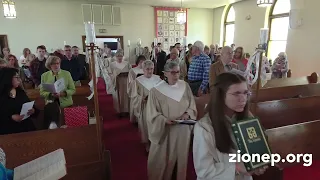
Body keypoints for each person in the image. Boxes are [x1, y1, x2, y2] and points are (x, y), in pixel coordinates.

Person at [193, 73, 268, 180]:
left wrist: (257, 164)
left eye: (246, 93)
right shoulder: (204, 127)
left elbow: (255, 151)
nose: (243, 99)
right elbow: (204, 171)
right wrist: (236, 168)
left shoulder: (248, 120)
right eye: (236, 93)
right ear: (221, 95)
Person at [146, 61, 197, 180]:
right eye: (173, 72)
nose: (176, 75)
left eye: (178, 72)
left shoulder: (185, 86)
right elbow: (152, 113)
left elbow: (192, 105)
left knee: (181, 157)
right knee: (162, 158)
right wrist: (163, 120)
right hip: (165, 131)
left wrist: (187, 113)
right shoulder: (156, 91)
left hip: (183, 130)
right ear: (165, 73)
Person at [130, 60, 161, 152]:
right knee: (145, 125)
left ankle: (155, 142)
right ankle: (147, 143)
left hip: (156, 107)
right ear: (143, 69)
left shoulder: (158, 79)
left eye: (152, 69)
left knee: (155, 124)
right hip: (145, 107)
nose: (150, 71)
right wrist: (141, 99)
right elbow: (134, 96)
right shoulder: (138, 81)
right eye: (147, 69)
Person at [0, 68, 38, 135]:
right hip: (8, 131)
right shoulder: (2, 95)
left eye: (19, 77)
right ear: (8, 79)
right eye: (16, 77)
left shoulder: (20, 93)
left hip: (26, 128)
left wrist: (33, 110)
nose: (19, 80)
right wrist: (11, 117)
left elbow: (34, 109)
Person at [108, 49, 131, 116]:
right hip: (117, 82)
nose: (119, 57)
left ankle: (126, 110)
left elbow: (131, 72)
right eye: (118, 56)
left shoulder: (127, 63)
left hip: (126, 81)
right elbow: (109, 74)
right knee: (118, 96)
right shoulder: (112, 65)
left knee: (126, 96)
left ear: (123, 56)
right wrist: (115, 76)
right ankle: (119, 111)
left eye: (121, 56)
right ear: (115, 56)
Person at [127, 55, 146, 122]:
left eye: (144, 62)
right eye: (141, 62)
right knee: (135, 102)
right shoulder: (132, 70)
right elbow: (130, 81)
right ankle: (135, 119)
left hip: (144, 89)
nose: (142, 63)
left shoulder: (146, 70)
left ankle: (143, 119)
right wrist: (136, 81)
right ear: (138, 62)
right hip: (135, 89)